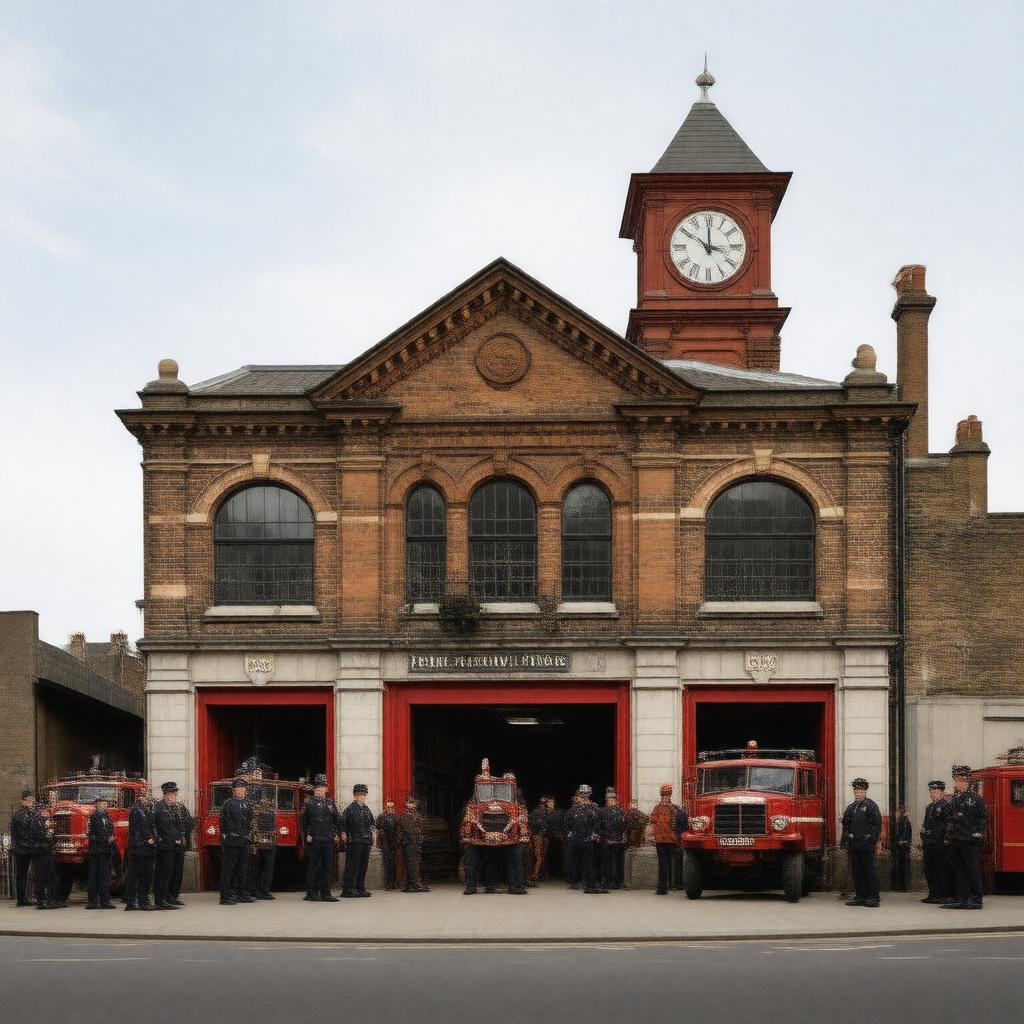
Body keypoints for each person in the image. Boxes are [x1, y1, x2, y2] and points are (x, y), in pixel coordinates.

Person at [941, 764, 987, 910]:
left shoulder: (975, 799)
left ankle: (976, 898)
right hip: (956, 839)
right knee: (959, 870)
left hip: (970, 840)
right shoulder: (954, 799)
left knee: (972, 869)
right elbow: (947, 816)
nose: (959, 783)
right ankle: (962, 897)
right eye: (957, 781)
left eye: (963, 781)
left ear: (968, 782)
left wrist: (978, 832)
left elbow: (983, 818)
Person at [841, 777, 882, 907]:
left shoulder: (871, 805)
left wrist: (871, 838)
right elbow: (845, 824)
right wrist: (848, 835)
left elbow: (876, 825)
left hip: (866, 845)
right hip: (854, 846)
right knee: (857, 872)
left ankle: (874, 897)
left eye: (860, 791)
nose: (858, 794)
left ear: (865, 791)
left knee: (869, 871)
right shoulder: (851, 807)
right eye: (856, 791)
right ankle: (860, 896)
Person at [300, 774, 339, 902]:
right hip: (314, 839)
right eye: (318, 788)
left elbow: (336, 820)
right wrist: (307, 834)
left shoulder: (330, 803)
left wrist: (336, 833)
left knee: (327, 867)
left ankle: (326, 893)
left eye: (322, 788)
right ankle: (311, 892)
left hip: (328, 839)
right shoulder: (309, 803)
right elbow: (303, 821)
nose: (320, 791)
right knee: (314, 867)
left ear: (326, 789)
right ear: (314, 790)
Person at [153, 781, 188, 910]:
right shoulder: (159, 807)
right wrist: (174, 838)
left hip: (177, 845)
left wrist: (181, 838)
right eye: (169, 794)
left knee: (175, 872)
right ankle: (160, 899)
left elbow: (183, 824)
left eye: (173, 794)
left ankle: (171, 896)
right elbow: (163, 827)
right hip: (165, 846)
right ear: (164, 794)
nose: (172, 796)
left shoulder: (176, 807)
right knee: (164, 873)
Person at [219, 778, 253, 906]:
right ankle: (225, 896)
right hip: (232, 840)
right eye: (239, 789)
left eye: (243, 789)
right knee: (229, 869)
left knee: (243, 868)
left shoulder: (246, 804)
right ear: (234, 791)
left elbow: (248, 821)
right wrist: (225, 837)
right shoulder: (228, 804)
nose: (242, 791)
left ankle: (242, 894)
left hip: (243, 840)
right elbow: (223, 822)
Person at [566, 784, 604, 894]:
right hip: (577, 840)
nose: (584, 797)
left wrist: (595, 834)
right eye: (582, 795)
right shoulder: (573, 810)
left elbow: (599, 823)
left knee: (589, 862)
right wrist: (571, 836)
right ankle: (582, 883)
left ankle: (589, 885)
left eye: (586, 795)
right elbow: (567, 825)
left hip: (588, 840)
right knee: (579, 862)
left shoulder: (594, 809)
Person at [920, 780, 953, 904]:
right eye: (931, 791)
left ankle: (943, 894)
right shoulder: (929, 807)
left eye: (936, 791)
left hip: (939, 844)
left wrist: (942, 839)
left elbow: (947, 824)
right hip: (929, 843)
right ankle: (933, 893)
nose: (933, 793)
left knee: (941, 870)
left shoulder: (945, 806)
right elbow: (925, 824)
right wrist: (923, 835)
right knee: (929, 870)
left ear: (942, 792)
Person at [340, 783, 375, 897]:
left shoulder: (366, 809)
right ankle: (347, 889)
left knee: (363, 866)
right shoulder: (350, 809)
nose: (362, 797)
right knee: (352, 866)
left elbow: (372, 824)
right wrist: (343, 833)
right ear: (355, 796)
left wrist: (372, 834)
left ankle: (360, 888)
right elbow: (343, 824)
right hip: (354, 842)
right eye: (360, 795)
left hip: (365, 842)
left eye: (364, 795)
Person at [124, 786, 157, 911]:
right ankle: (133, 902)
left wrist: (154, 838)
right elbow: (143, 826)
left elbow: (152, 825)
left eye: (148, 795)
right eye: (145, 795)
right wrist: (150, 837)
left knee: (146, 875)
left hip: (146, 847)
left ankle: (143, 900)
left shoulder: (147, 808)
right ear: (140, 797)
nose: (148, 798)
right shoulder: (137, 810)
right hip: (138, 847)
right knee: (136, 875)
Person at [32, 793, 64, 910]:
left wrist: (50, 833)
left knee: (52, 877)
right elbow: (39, 835)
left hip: (48, 852)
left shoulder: (46, 822)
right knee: (41, 877)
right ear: (39, 812)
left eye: (47, 811)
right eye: (44, 811)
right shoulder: (37, 822)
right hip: (40, 853)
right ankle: (40, 901)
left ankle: (51, 899)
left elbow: (51, 837)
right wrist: (49, 832)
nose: (47, 813)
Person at [85, 796, 117, 909]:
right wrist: (105, 839)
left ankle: (105, 900)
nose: (104, 806)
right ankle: (93, 901)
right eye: (101, 804)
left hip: (107, 850)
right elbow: (91, 835)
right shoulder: (93, 817)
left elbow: (111, 830)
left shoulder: (108, 816)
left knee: (105, 876)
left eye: (105, 804)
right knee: (94, 876)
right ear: (96, 805)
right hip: (97, 851)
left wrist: (112, 838)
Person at [650, 784, 681, 896]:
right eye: (664, 795)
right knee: (665, 863)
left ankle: (666, 887)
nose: (665, 797)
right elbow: (653, 821)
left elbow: (653, 821)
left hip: (667, 840)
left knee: (666, 863)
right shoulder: (666, 808)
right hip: (663, 839)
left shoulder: (663, 808)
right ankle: (667, 886)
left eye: (666, 795)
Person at [248, 784, 277, 900]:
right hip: (260, 843)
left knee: (264, 868)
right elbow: (252, 827)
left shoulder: (270, 808)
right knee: (259, 868)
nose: (264, 799)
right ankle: (258, 891)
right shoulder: (253, 810)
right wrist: (253, 843)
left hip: (267, 842)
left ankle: (263, 890)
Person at [10, 789, 37, 907]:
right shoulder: (21, 815)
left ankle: (23, 898)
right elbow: (23, 834)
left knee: (23, 874)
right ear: (23, 802)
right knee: (22, 874)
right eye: (28, 800)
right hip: (22, 850)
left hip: (25, 848)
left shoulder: (29, 813)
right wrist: (34, 843)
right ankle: (21, 899)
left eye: (32, 800)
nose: (31, 802)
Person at [397, 795, 429, 893]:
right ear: (406, 804)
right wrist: (417, 837)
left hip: (416, 843)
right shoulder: (404, 816)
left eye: (413, 803)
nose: (411, 805)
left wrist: (419, 837)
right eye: (409, 803)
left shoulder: (418, 815)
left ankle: (412, 883)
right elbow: (410, 831)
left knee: (415, 863)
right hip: (409, 843)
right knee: (412, 863)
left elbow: (422, 826)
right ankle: (414, 884)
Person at [169, 792, 194, 905]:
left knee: (178, 871)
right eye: (174, 796)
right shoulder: (168, 810)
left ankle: (174, 895)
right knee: (170, 871)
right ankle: (168, 895)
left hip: (182, 844)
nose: (176, 799)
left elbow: (190, 823)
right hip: (172, 844)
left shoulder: (182, 809)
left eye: (176, 796)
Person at [599, 788, 626, 890]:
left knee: (619, 862)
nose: (611, 801)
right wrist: (605, 837)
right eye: (609, 799)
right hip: (606, 841)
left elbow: (624, 826)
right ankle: (606, 882)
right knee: (606, 862)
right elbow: (599, 826)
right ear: (606, 800)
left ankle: (619, 882)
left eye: (613, 799)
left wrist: (623, 837)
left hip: (618, 841)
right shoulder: (602, 811)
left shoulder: (621, 812)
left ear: (616, 800)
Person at [376, 799, 400, 890]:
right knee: (387, 863)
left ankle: (393, 883)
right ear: (385, 807)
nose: (390, 808)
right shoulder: (381, 817)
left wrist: (398, 841)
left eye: (391, 807)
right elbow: (379, 831)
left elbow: (398, 830)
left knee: (393, 862)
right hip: (385, 842)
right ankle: (387, 884)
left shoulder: (396, 817)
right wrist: (380, 843)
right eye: (388, 807)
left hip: (393, 842)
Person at [528, 796, 550, 885]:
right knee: (539, 856)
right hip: (539, 837)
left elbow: (529, 823)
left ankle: (533, 874)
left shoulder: (533, 812)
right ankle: (536, 875)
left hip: (533, 836)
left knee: (533, 856)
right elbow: (545, 826)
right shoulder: (545, 813)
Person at [890, 805, 912, 892]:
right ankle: (899, 885)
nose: (896, 814)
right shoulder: (898, 822)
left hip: (902, 848)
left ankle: (903, 886)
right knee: (899, 866)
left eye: (898, 813)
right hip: (898, 847)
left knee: (903, 866)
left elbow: (906, 834)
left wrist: (902, 842)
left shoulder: (904, 822)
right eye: (896, 812)